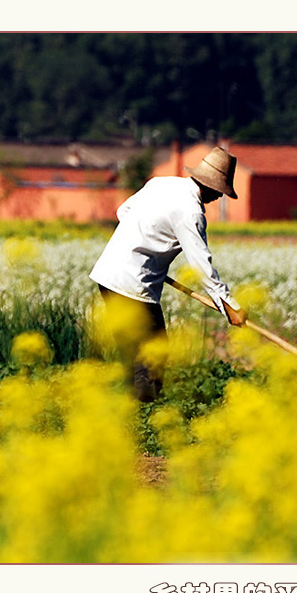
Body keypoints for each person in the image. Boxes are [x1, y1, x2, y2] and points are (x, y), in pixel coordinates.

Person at [89, 146, 247, 402]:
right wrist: (230, 305)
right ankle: (144, 414)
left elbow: (123, 212)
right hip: (133, 285)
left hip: (108, 276)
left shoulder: (160, 184)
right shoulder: (191, 212)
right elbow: (200, 264)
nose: (219, 197)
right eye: (220, 191)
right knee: (154, 353)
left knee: (133, 353)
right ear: (211, 186)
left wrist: (147, 247)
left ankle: (129, 416)